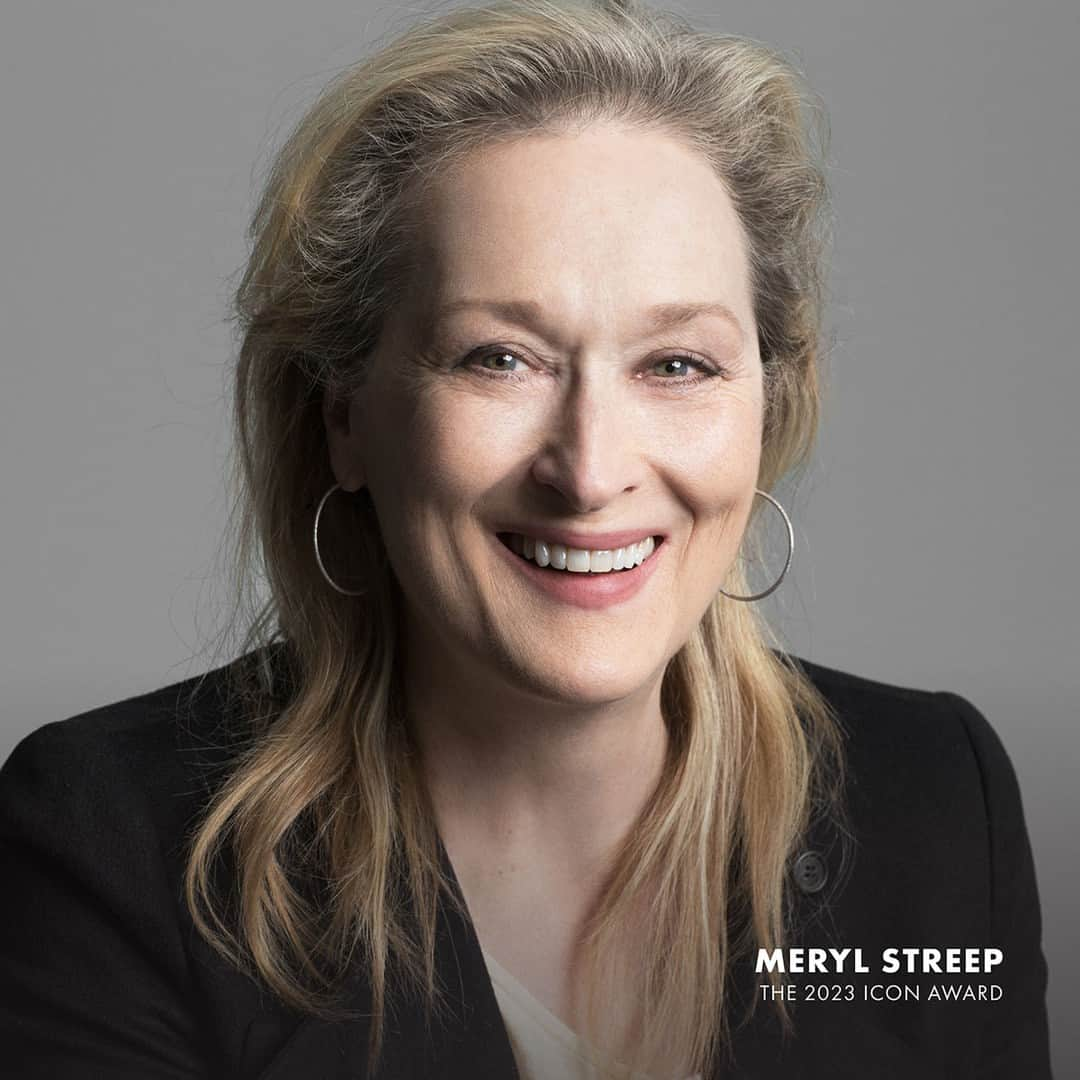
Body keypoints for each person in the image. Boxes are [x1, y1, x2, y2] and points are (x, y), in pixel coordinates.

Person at [0, 1, 1053, 1077]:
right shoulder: (111, 846)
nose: (591, 470)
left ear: (769, 409)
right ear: (344, 415)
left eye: (678, 364)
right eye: (499, 358)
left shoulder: (932, 798)